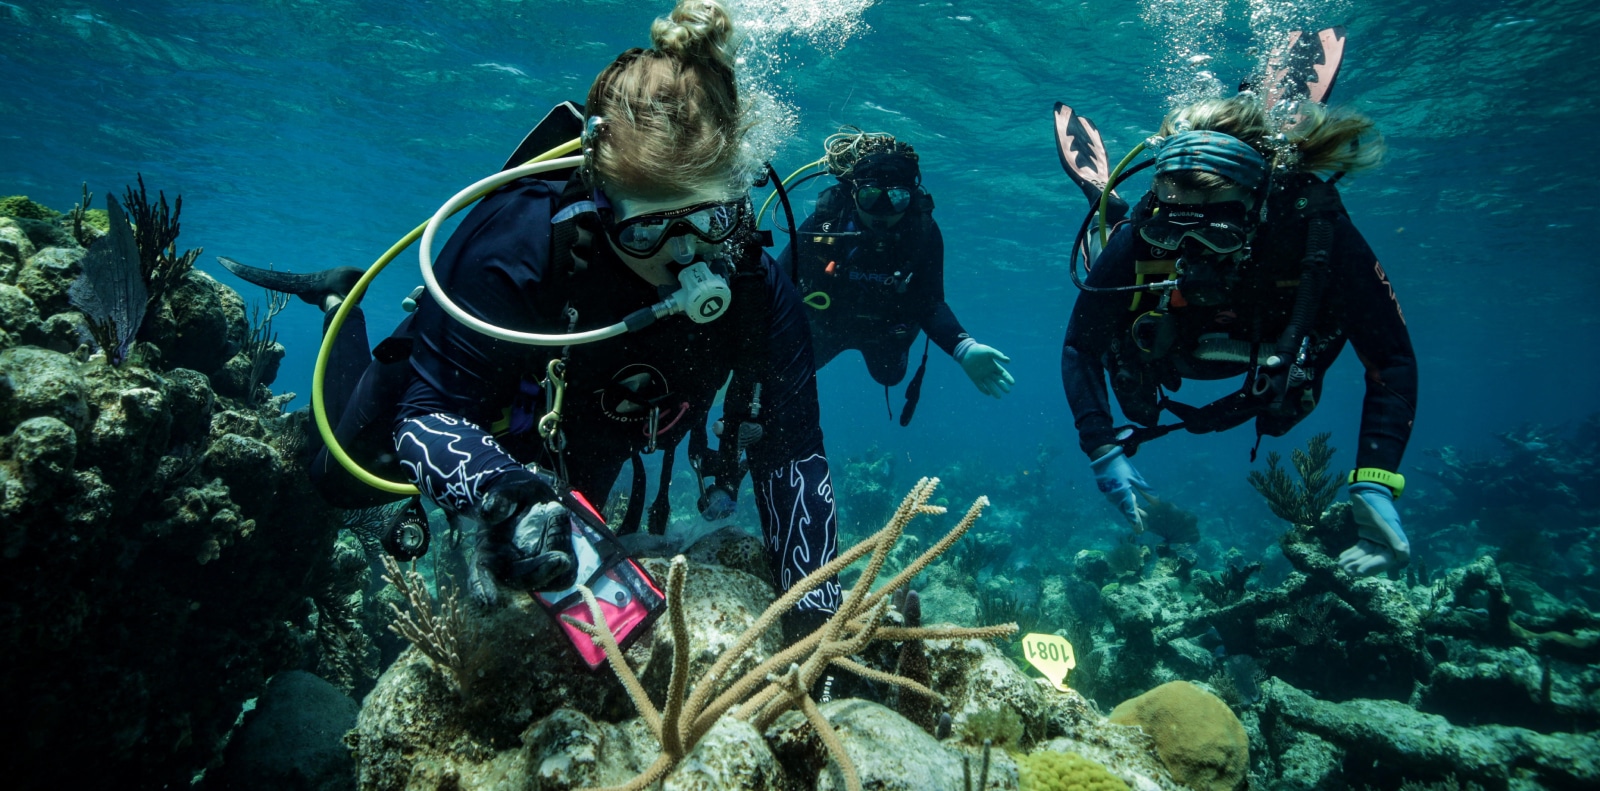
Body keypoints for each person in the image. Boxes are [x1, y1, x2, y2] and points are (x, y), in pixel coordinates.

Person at [224, 0, 842, 639]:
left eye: (711, 218)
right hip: (483, 396)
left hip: (591, 428)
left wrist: (819, 626)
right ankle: (340, 299)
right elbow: (429, 413)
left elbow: (792, 455)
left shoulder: (757, 285)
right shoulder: (515, 240)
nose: (684, 256)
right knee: (338, 481)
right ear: (600, 201)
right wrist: (503, 495)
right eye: (648, 227)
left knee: (571, 588)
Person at [1058, 93, 1418, 577]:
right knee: (1127, 360)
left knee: (1286, 406)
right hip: (1169, 343)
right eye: (1174, 232)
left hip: (1273, 353)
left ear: (1258, 205)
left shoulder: (1313, 228)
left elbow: (1390, 358)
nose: (1194, 251)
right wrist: (1100, 445)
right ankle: (1107, 205)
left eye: (1219, 233)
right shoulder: (1147, 227)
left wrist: (1375, 482)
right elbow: (1081, 345)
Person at [776, 131, 1013, 425]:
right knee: (780, 372)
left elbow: (930, 301)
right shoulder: (826, 222)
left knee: (890, 376)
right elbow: (777, 282)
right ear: (853, 193)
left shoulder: (922, 232)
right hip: (826, 324)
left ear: (911, 198)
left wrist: (963, 346)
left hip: (885, 331)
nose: (883, 213)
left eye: (897, 199)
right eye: (871, 197)